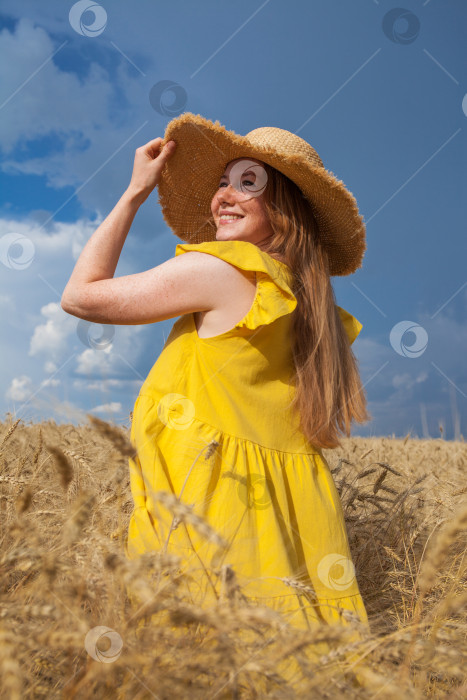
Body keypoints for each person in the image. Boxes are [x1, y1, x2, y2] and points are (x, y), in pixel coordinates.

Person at [61, 111, 372, 675]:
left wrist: (134, 193)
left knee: (202, 669)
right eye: (223, 181)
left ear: (286, 203)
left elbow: (81, 296)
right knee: (301, 673)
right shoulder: (310, 305)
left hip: (216, 511)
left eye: (248, 181)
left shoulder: (223, 269)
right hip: (295, 520)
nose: (224, 195)